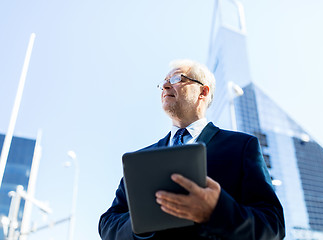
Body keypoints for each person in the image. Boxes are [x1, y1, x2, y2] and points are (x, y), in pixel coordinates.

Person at [98, 59, 285, 240]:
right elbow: (107, 224)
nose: (165, 86)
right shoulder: (139, 160)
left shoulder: (241, 147)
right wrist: (142, 222)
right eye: (163, 83)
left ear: (203, 92)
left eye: (176, 79)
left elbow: (273, 226)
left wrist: (217, 211)